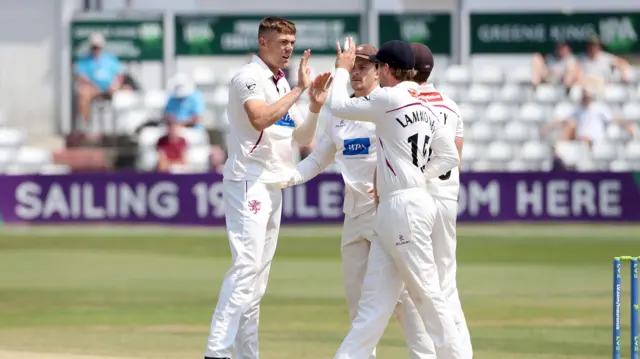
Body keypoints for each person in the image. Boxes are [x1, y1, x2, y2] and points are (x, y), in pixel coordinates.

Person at [281, 44, 433, 359]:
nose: (356, 72)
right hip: (354, 217)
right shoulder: (341, 114)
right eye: (353, 66)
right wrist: (286, 179)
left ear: (379, 70)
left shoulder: (386, 106)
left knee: (404, 301)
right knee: (358, 304)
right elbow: (320, 158)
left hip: (386, 214)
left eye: (363, 66)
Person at [322, 37, 463, 359]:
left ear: (385, 68)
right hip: (401, 204)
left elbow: (339, 106)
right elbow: (449, 157)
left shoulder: (387, 98)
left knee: (427, 294)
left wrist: (341, 70)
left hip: (403, 207)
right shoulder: (424, 106)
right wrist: (417, 175)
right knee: (373, 305)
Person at [203, 16, 332, 359]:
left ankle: (247, 355)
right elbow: (259, 118)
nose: (289, 47)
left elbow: (302, 137)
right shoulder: (249, 77)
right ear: (263, 42)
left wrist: (315, 106)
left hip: (272, 183)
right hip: (248, 181)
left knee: (256, 282)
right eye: (282, 41)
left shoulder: (279, 83)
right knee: (246, 267)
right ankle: (216, 351)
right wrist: (298, 90)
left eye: (292, 41)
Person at [411, 42, 473, 358]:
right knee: (447, 285)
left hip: (417, 200)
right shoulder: (451, 105)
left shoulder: (404, 103)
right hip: (447, 199)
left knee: (417, 288)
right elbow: (455, 156)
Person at [541, 87, 634, 146]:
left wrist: (627, 125)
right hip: (581, 141)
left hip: (595, 142)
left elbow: (614, 119)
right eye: (584, 97)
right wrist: (548, 127)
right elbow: (564, 120)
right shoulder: (578, 110)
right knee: (570, 126)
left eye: (588, 97)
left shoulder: (600, 108)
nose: (586, 99)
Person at [74, 33, 127, 126]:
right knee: (83, 93)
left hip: (111, 89)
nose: (96, 49)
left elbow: (120, 75)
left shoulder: (110, 59)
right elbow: (81, 77)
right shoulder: (84, 61)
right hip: (93, 89)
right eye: (94, 47)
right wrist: (95, 86)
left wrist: (115, 85)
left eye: (98, 47)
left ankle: (124, 126)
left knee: (128, 91)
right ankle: (87, 125)